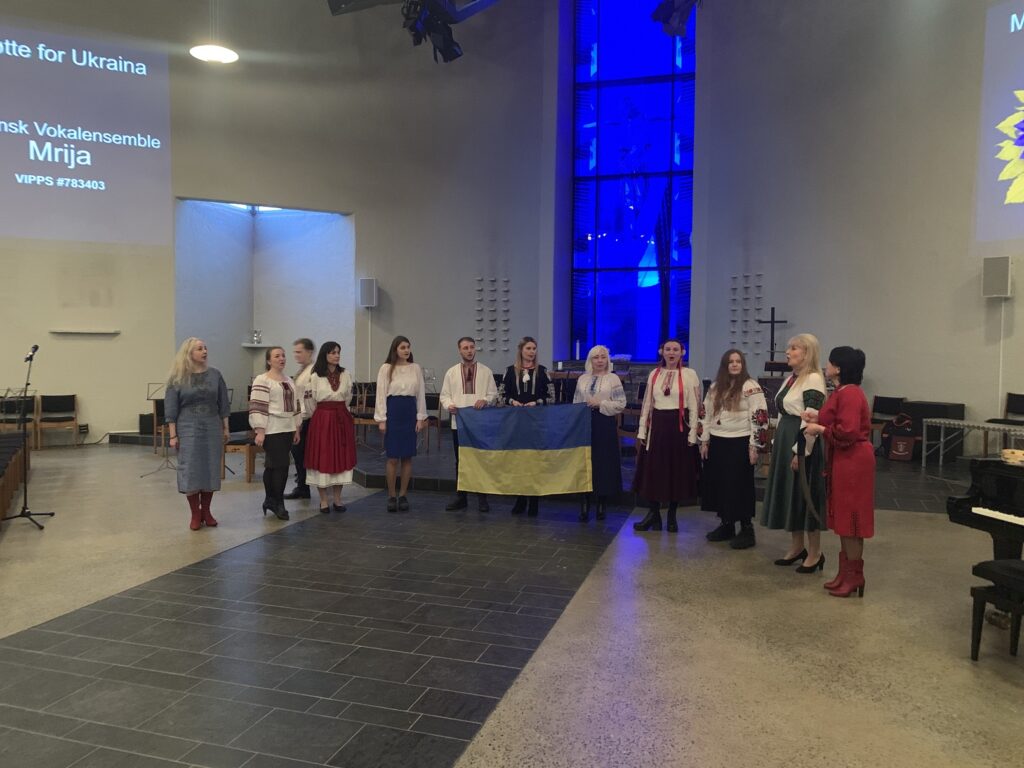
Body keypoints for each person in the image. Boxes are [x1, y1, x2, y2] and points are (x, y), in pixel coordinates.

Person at [803, 346, 874, 598]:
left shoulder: (850, 393)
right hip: (844, 459)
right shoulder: (842, 391)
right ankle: (846, 573)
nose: (826, 366)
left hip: (853, 460)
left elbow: (848, 431)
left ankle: (854, 576)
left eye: (830, 362)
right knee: (844, 518)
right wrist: (816, 417)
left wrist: (819, 429)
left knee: (852, 519)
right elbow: (836, 420)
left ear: (839, 368)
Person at [759, 333, 828, 573]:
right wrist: (777, 442)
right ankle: (797, 547)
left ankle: (815, 552)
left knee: (804, 496)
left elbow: (812, 417)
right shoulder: (791, 379)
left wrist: (801, 451)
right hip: (786, 438)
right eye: (789, 348)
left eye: (794, 348)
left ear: (807, 353)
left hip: (801, 441)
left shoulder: (813, 379)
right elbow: (783, 413)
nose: (788, 352)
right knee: (791, 495)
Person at [698, 349, 769, 549]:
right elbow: (705, 414)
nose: (735, 364)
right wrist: (704, 441)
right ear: (725, 365)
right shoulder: (715, 387)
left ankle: (746, 529)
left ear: (743, 364)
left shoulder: (751, 386)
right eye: (731, 362)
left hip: (740, 442)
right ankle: (726, 524)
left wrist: (755, 445)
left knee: (739, 486)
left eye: (738, 361)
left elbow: (759, 416)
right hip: (718, 441)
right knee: (721, 485)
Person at [633, 339, 701, 533]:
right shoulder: (654, 374)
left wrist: (693, 433)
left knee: (675, 471)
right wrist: (642, 430)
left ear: (682, 353)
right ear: (661, 352)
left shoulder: (689, 374)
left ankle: (672, 515)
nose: (671, 353)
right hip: (657, 427)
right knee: (654, 471)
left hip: (678, 428)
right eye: (668, 349)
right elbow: (647, 404)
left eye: (675, 349)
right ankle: (653, 514)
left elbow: (694, 406)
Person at [165, 338, 230, 531]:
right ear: (189, 353)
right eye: (199, 349)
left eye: (205, 348)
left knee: (210, 467)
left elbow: (224, 404)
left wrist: (226, 428)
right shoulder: (177, 377)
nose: (204, 351)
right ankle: (195, 513)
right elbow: (171, 408)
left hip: (212, 425)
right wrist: (173, 435)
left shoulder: (215, 375)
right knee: (191, 469)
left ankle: (207, 511)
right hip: (187, 427)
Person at [441, 337, 498, 513]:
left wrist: (485, 400)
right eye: (465, 348)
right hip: (459, 423)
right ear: (459, 350)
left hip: (479, 423)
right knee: (461, 460)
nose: (469, 350)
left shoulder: (486, 371)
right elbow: (444, 395)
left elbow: (493, 393)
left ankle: (482, 497)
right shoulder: (451, 372)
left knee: (480, 458)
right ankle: (462, 497)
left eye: (472, 347)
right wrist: (449, 405)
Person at [374, 335, 428, 512]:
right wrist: (382, 419)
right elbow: (380, 394)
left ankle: (403, 495)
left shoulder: (415, 368)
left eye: (408, 347)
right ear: (395, 349)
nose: (406, 350)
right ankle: (391, 495)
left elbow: (420, 394)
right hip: (393, 411)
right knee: (392, 457)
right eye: (403, 347)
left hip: (409, 412)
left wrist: (420, 417)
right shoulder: (386, 368)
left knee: (407, 457)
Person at [573, 345, 626, 522]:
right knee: (585, 461)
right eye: (596, 357)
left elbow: (621, 403)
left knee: (603, 462)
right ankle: (584, 502)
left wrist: (600, 404)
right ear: (590, 360)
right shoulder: (582, 379)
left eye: (603, 357)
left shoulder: (613, 379)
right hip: (584, 423)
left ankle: (601, 503)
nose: (600, 360)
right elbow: (576, 402)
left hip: (604, 422)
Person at [302, 341, 357, 514]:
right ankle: (324, 500)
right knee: (323, 457)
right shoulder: (315, 376)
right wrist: (320, 416)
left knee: (340, 457)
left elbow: (348, 397)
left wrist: (339, 411)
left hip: (341, 417)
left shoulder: (345, 374)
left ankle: (338, 499)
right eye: (333, 352)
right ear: (325, 354)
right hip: (322, 420)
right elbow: (310, 401)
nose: (337, 355)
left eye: (338, 352)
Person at [249, 347, 302, 520]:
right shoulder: (262, 379)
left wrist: (297, 427)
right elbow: (257, 406)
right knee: (281, 465)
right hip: (271, 428)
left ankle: (270, 500)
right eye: (277, 356)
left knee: (273, 466)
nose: (281, 358)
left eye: (283, 355)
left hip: (287, 427)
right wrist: (260, 430)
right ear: (268, 361)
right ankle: (278, 502)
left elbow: (296, 404)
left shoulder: (289, 380)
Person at [502, 336, 553, 516]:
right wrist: (512, 401)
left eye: (534, 349)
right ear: (521, 350)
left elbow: (552, 397)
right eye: (528, 348)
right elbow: (501, 396)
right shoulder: (510, 371)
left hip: (536, 422)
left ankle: (534, 500)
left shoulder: (542, 371)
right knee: (519, 461)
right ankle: (520, 498)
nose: (532, 352)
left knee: (534, 461)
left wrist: (536, 402)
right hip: (516, 422)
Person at [285, 338, 315, 500]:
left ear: (309, 352)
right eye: (295, 352)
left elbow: (309, 399)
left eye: (299, 352)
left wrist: (302, 419)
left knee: (300, 452)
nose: (296, 355)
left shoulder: (312, 372)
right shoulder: (303, 371)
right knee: (298, 453)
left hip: (306, 418)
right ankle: (302, 486)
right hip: (299, 417)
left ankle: (303, 486)